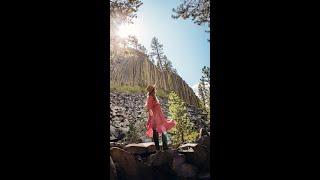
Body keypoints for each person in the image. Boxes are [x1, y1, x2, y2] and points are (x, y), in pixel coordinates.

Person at [145, 84, 176, 150]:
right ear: (153, 90)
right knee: (159, 131)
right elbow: (149, 108)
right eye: (154, 89)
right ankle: (159, 148)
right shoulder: (150, 97)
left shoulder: (153, 97)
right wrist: (151, 119)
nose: (155, 90)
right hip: (155, 117)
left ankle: (163, 147)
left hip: (159, 116)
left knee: (162, 130)